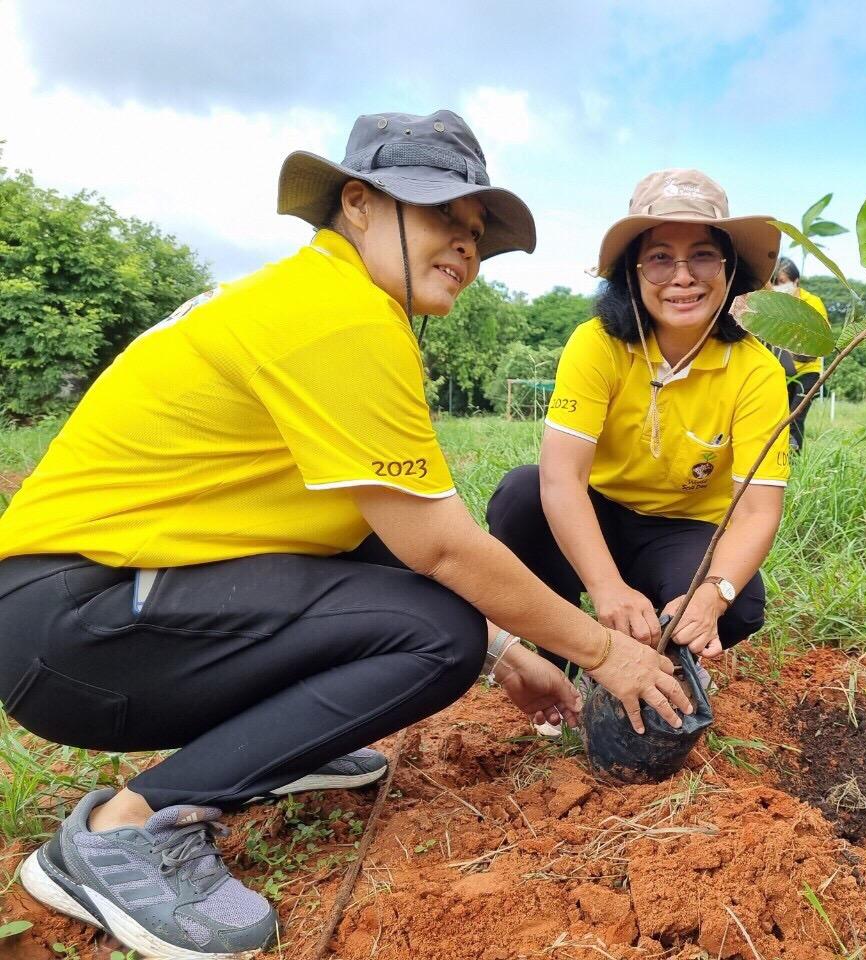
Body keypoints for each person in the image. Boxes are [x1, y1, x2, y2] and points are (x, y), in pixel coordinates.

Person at [0, 112, 691, 958]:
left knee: (447, 625)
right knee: (439, 634)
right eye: (443, 215)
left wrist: (508, 649)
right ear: (357, 204)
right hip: (77, 623)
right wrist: (603, 653)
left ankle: (286, 747)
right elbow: (440, 547)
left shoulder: (324, 298)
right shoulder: (340, 316)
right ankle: (125, 830)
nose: (466, 248)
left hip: (90, 606)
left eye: (476, 232)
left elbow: (379, 535)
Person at [486, 169, 789, 684]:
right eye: (660, 258)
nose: (683, 276)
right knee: (523, 495)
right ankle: (557, 655)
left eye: (702, 255)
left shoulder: (757, 370)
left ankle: (663, 657)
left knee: (740, 601)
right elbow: (561, 481)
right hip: (597, 511)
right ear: (632, 272)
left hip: (683, 529)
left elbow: (759, 511)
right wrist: (605, 587)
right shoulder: (596, 344)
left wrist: (714, 593)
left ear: (729, 267)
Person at [769, 257, 829, 450]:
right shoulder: (774, 306)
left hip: (808, 371)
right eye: (775, 283)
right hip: (781, 370)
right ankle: (781, 458)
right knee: (780, 417)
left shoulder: (812, 302)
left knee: (795, 417)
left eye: (783, 282)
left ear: (796, 281)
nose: (780, 287)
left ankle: (795, 460)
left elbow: (821, 339)